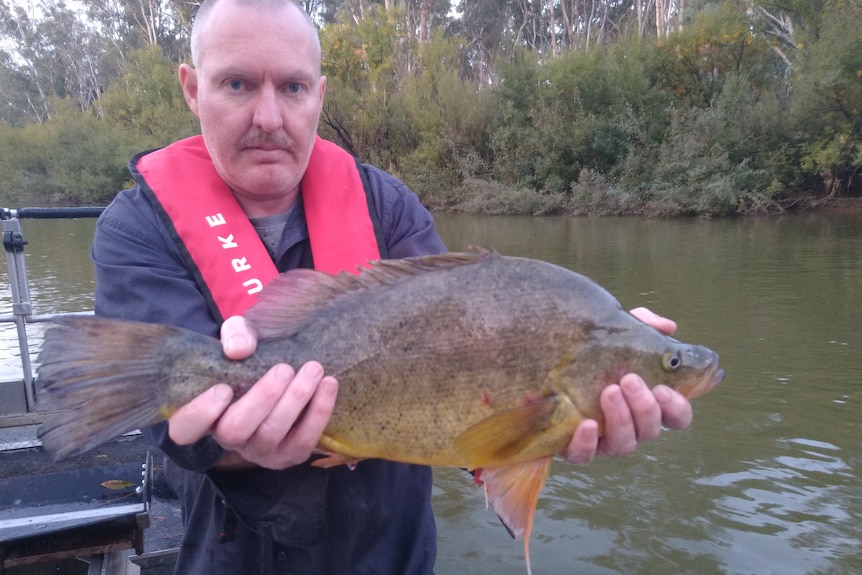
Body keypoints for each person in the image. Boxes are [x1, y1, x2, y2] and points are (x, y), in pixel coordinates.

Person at [90, 0, 693, 573]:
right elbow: (167, 423)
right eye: (238, 84)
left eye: (293, 87)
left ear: (319, 95)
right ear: (193, 89)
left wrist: (547, 427)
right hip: (231, 557)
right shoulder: (137, 229)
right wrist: (237, 445)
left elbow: (464, 372)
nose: (269, 117)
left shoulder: (389, 207)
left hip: (391, 555)